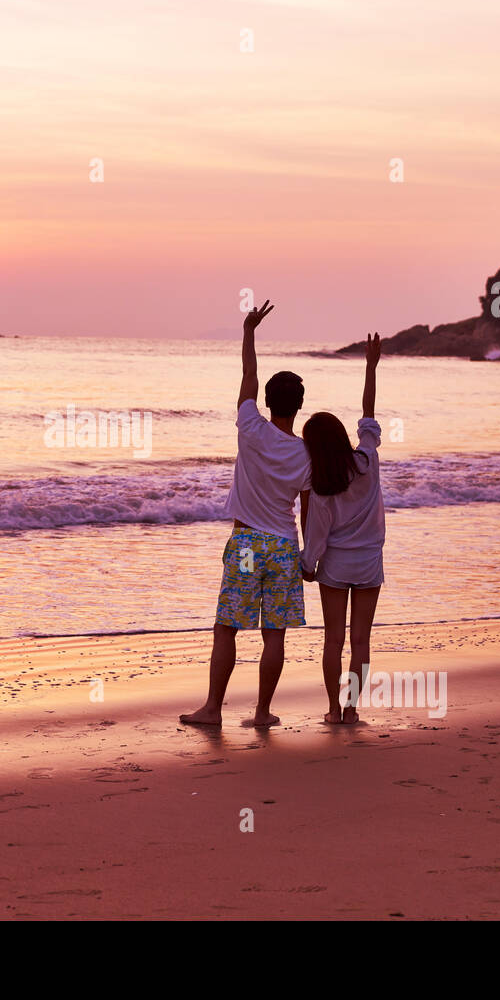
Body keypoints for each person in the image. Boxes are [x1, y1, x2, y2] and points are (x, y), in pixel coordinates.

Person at [181, 300, 311, 728]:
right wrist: (310, 556)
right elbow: (308, 508)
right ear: (299, 406)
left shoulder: (251, 428)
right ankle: (261, 712)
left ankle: (214, 709)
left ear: (268, 402)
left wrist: (250, 332)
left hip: (247, 543)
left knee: (227, 628)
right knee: (275, 634)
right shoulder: (305, 453)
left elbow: (248, 378)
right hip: (285, 547)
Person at [300, 332, 385, 725]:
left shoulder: (321, 488)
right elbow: (368, 413)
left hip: (335, 567)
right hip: (369, 564)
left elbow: (315, 541)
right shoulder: (367, 460)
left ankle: (334, 710)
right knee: (361, 641)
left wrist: (307, 566)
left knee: (333, 640)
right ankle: (352, 708)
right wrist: (370, 366)